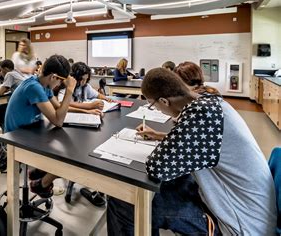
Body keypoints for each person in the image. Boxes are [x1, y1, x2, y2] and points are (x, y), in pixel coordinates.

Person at [107, 68, 277, 236]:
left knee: (125, 200)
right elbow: (204, 144)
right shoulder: (210, 103)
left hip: (237, 225)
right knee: (159, 188)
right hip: (247, 209)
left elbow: (156, 167)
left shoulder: (200, 115)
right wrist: (160, 136)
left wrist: (168, 141)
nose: (157, 110)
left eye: (153, 105)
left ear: (164, 101)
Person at [5, 55, 76, 197]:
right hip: (16, 138)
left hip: (31, 131)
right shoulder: (34, 87)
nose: (60, 85)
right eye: (61, 81)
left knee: (66, 147)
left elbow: (58, 108)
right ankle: (41, 185)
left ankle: (39, 171)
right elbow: (58, 120)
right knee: (68, 160)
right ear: (53, 77)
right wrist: (69, 91)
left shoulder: (43, 84)